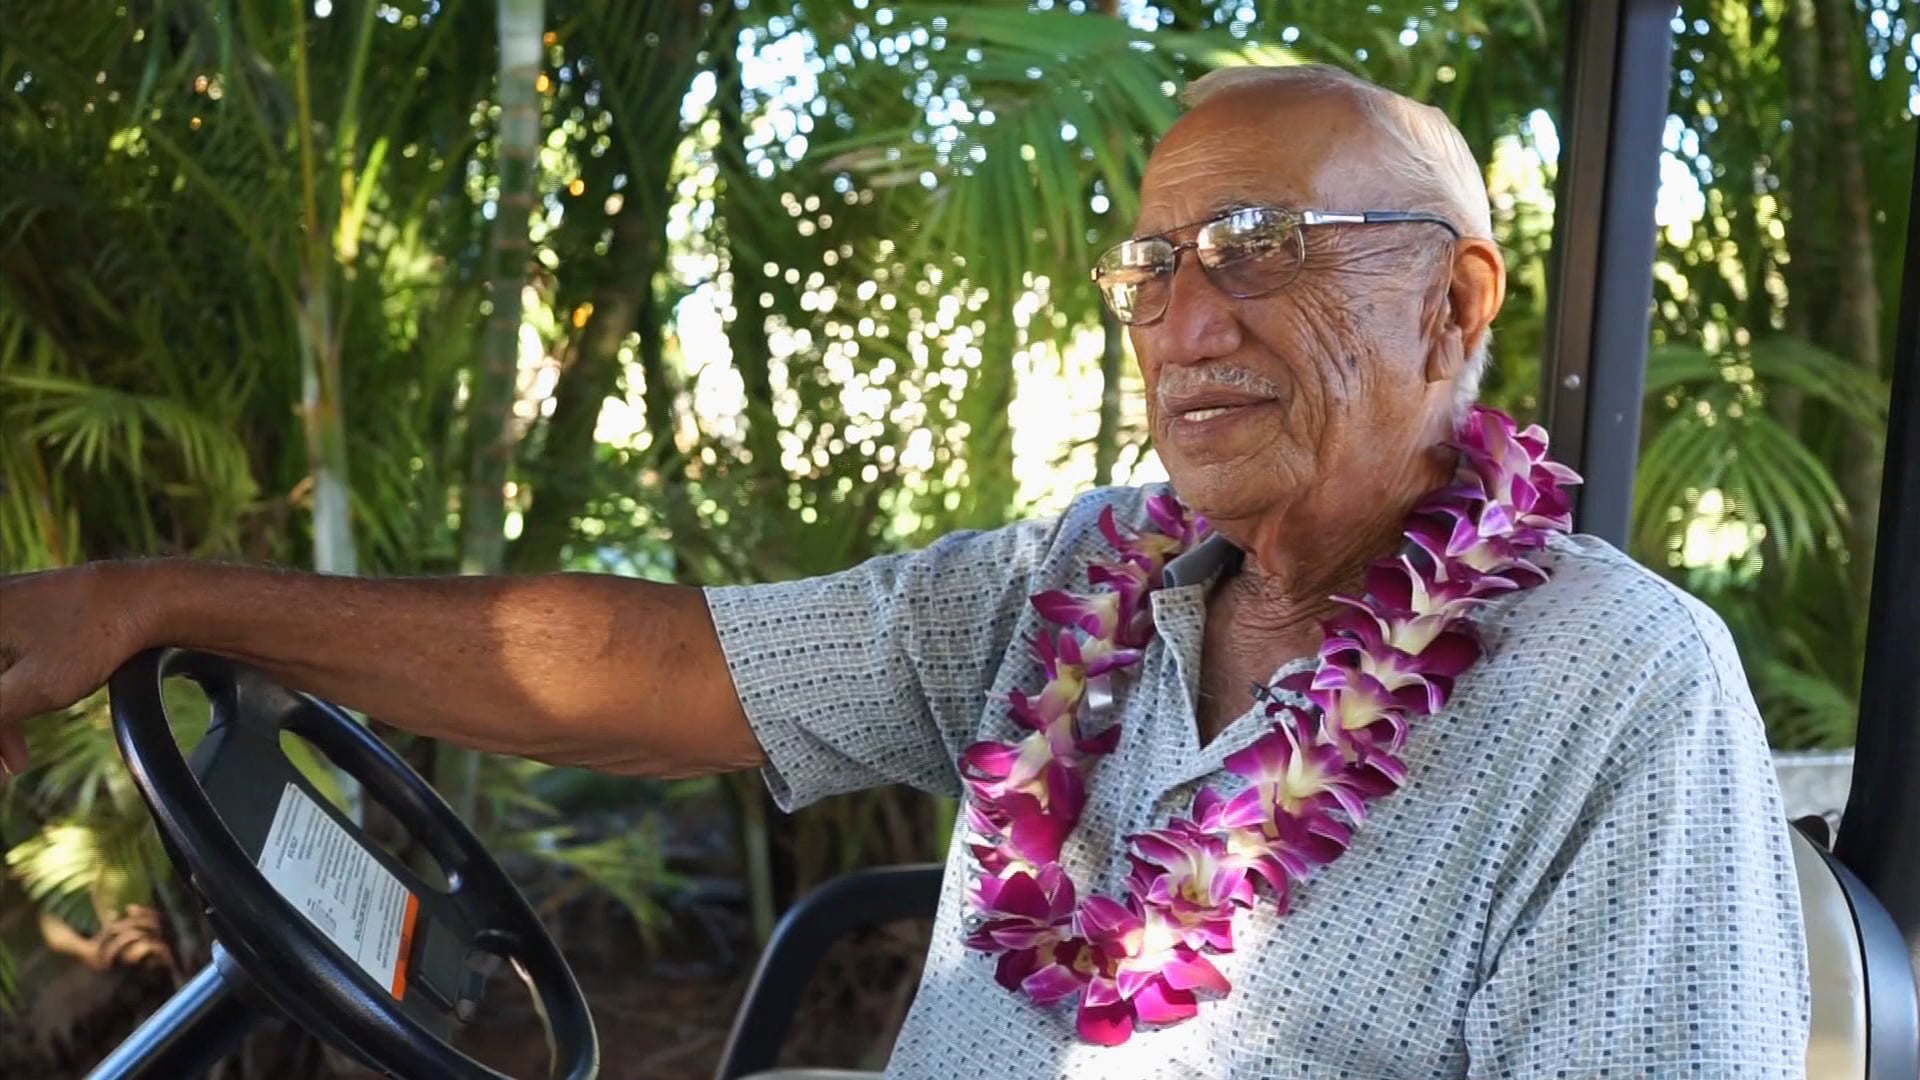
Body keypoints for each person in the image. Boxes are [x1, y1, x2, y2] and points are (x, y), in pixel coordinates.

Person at [0, 65, 1809, 1076]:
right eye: (1151, 265)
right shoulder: (1081, 576)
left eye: (1262, 246)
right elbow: (650, 667)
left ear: (1457, 303)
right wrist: (161, 602)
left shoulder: (1620, 689)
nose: (1187, 321)